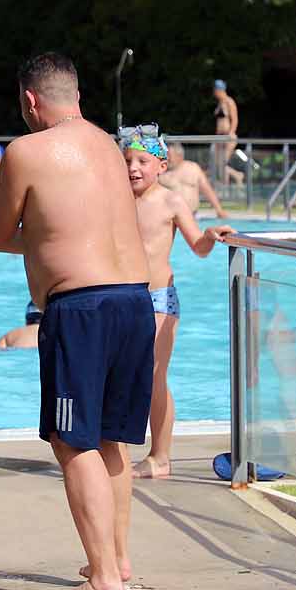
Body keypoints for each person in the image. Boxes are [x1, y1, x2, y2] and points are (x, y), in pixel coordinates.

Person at [0, 52, 153, 590]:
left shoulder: (27, 152)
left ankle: (103, 583)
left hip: (81, 309)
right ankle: (117, 560)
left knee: (71, 441)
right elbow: (49, 235)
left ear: (30, 100)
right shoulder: (107, 145)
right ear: (75, 95)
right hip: (134, 301)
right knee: (111, 439)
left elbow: (3, 229)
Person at [119, 125, 233, 479]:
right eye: (127, 160)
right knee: (121, 374)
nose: (133, 168)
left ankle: (160, 456)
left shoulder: (171, 201)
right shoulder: (117, 200)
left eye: (142, 160)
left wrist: (211, 237)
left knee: (155, 376)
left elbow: (197, 247)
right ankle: (117, 449)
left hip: (158, 298)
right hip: (123, 298)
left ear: (161, 166)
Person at [161, 142, 228, 218]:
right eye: (165, 156)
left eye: (169, 155)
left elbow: (207, 189)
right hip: (170, 216)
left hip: (192, 216)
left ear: (179, 155)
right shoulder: (161, 172)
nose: (167, 158)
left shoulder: (193, 168)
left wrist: (219, 210)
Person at [212, 79, 239, 183]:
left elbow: (235, 119)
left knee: (222, 163)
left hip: (228, 136)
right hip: (220, 137)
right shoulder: (220, 103)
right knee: (218, 163)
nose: (214, 93)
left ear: (220, 90)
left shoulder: (229, 101)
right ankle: (235, 177)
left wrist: (231, 133)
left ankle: (226, 184)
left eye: (215, 90)